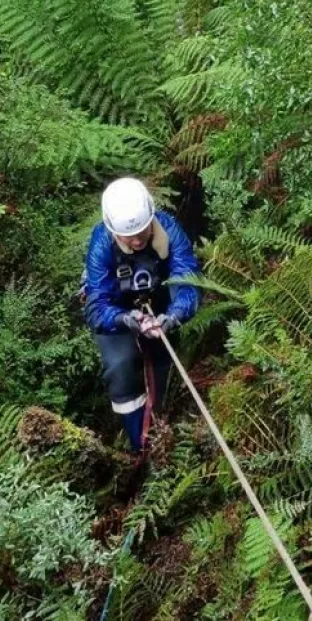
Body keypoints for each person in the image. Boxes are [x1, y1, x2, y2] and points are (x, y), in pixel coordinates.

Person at [83, 177, 201, 452]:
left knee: (162, 357)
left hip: (159, 304)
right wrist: (126, 320)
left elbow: (188, 281)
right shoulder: (102, 244)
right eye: (128, 235)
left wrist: (173, 316)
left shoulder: (170, 231)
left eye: (142, 231)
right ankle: (138, 442)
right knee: (120, 364)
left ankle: (159, 430)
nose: (136, 240)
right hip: (117, 311)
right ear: (113, 231)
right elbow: (97, 303)